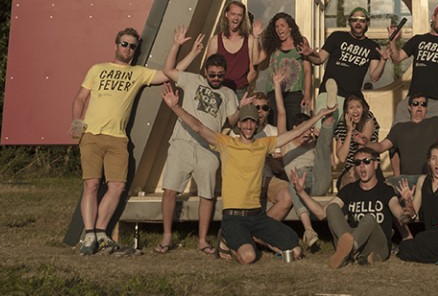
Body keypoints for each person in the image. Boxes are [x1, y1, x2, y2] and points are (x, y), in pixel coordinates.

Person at [160, 81, 334, 264]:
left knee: (296, 250)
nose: (249, 126)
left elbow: (296, 131)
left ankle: (249, 239)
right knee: (249, 257)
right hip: (233, 218)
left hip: (257, 217)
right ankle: (226, 239)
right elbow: (198, 127)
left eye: (252, 122)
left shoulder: (263, 144)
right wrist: (176, 107)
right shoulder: (226, 143)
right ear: (240, 124)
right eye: (245, 121)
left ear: (257, 125)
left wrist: (320, 115)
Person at [70, 27, 178, 255]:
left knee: (117, 187)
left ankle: (100, 232)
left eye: (132, 46)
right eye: (124, 44)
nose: (127, 49)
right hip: (92, 134)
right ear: (116, 44)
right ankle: (89, 236)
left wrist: (179, 46)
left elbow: (169, 74)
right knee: (91, 185)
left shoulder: (138, 73)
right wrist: (77, 124)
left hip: (118, 138)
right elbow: (80, 97)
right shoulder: (97, 69)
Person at [157, 25, 242, 255]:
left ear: (224, 74)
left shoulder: (228, 94)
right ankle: (166, 237)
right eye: (212, 74)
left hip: (209, 147)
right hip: (182, 142)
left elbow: (233, 122)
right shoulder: (192, 80)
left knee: (207, 194)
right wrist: (178, 45)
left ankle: (203, 240)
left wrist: (244, 108)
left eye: (220, 75)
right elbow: (167, 69)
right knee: (170, 190)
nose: (215, 78)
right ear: (205, 71)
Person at [297, 6, 392, 193]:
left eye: (362, 20)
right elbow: (319, 59)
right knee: (321, 136)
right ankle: (320, 181)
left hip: (351, 101)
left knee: (346, 135)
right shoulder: (337, 37)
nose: (358, 22)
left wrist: (383, 60)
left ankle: (349, 173)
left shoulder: (372, 47)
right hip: (329, 91)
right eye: (355, 19)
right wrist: (309, 53)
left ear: (367, 24)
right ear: (350, 22)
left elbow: (374, 77)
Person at [367, 92, 438, 238]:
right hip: (406, 179)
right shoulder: (399, 128)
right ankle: (406, 235)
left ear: (426, 108)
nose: (419, 107)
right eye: (415, 104)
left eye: (423, 104)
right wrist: (365, 143)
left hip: (430, 177)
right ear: (409, 107)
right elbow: (382, 147)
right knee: (385, 188)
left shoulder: (436, 123)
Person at [290, 148, 408, 268]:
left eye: (366, 161)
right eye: (357, 163)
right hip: (351, 238)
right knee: (332, 208)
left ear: (376, 164)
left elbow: (399, 213)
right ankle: (355, 254)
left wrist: (409, 209)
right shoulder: (349, 189)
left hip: (377, 243)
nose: (362, 166)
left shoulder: (386, 190)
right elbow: (322, 213)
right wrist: (301, 192)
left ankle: (349, 251)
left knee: (369, 219)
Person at [265, 69, 322, 253]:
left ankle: (308, 230)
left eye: (309, 129)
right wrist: (276, 86)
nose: (307, 132)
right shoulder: (287, 142)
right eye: (303, 129)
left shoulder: (313, 143)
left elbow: (328, 158)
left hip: (313, 178)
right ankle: (309, 231)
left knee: (294, 183)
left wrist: (320, 139)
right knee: (293, 184)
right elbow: (281, 113)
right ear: (296, 128)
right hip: (297, 183)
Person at [255, 12, 313, 123]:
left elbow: (307, 70)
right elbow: (256, 59)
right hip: (274, 92)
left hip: (294, 93)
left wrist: (307, 94)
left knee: (293, 127)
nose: (279, 29)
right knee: (275, 126)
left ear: (290, 27)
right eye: (276, 26)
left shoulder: (301, 42)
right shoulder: (272, 43)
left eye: (282, 26)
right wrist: (256, 37)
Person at [206, 0, 258, 97]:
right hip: (219, 91)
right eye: (233, 14)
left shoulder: (250, 40)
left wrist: (245, 83)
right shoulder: (215, 40)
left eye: (239, 15)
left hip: (240, 91)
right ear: (227, 14)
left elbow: (254, 66)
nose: (236, 18)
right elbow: (208, 68)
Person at [333, 93, 380, 188]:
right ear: (346, 111)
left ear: (363, 108)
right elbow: (341, 157)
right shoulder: (341, 126)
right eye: (351, 107)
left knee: (358, 177)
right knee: (348, 182)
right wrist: (349, 131)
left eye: (358, 107)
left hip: (368, 164)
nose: (355, 111)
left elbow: (362, 148)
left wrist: (355, 167)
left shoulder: (368, 118)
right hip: (349, 169)